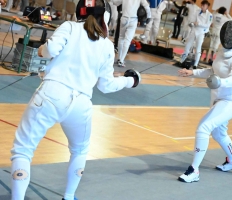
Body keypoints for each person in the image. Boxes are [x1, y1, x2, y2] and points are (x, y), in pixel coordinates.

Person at [9, 1, 141, 199]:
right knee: (79, 151)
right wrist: (131, 80)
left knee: (23, 151)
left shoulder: (69, 27)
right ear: (105, 16)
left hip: (51, 95)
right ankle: (69, 196)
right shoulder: (106, 46)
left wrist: (41, 50)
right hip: (80, 104)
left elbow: (50, 51)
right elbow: (107, 86)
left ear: (79, 12)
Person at [177, 20, 232, 183]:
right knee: (219, 133)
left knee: (204, 127)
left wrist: (220, 82)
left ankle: (194, 170)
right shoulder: (222, 51)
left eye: (231, 34)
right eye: (227, 33)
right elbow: (213, 71)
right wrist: (192, 72)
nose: (228, 37)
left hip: (231, 101)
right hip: (217, 98)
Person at [111, 0, 151, 67]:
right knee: (127, 40)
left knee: (121, 38)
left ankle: (119, 58)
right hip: (133, 19)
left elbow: (116, 2)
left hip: (124, 18)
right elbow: (146, 6)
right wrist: (149, 17)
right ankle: (121, 60)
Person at [180, 0, 212, 69]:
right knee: (188, 45)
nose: (202, 7)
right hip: (194, 30)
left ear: (207, 7)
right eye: (202, 5)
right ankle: (182, 60)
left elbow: (207, 25)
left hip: (201, 33)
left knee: (198, 48)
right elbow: (193, 20)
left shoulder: (209, 15)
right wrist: (192, 23)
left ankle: (195, 64)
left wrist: (199, 23)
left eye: (204, 6)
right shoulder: (197, 11)